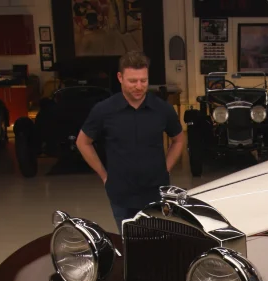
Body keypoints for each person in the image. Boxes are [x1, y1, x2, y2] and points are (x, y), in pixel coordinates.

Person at [77, 51, 186, 231]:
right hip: (121, 194)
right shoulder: (104, 110)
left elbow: (179, 140)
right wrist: (104, 175)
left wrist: (166, 168)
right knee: (129, 244)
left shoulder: (162, 109)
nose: (139, 86)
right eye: (132, 81)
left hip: (155, 192)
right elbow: (83, 142)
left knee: (157, 242)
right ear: (120, 78)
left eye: (143, 80)